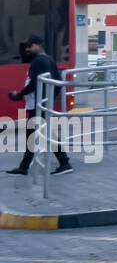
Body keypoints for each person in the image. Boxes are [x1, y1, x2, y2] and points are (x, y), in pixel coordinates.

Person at [5, 35, 73, 176]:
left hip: (38, 105)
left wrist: (19, 94)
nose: (28, 49)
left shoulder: (39, 61)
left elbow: (34, 83)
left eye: (30, 46)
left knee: (43, 134)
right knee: (35, 135)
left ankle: (64, 163)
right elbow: (58, 82)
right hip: (40, 104)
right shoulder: (48, 59)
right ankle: (24, 167)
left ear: (37, 45)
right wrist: (50, 99)